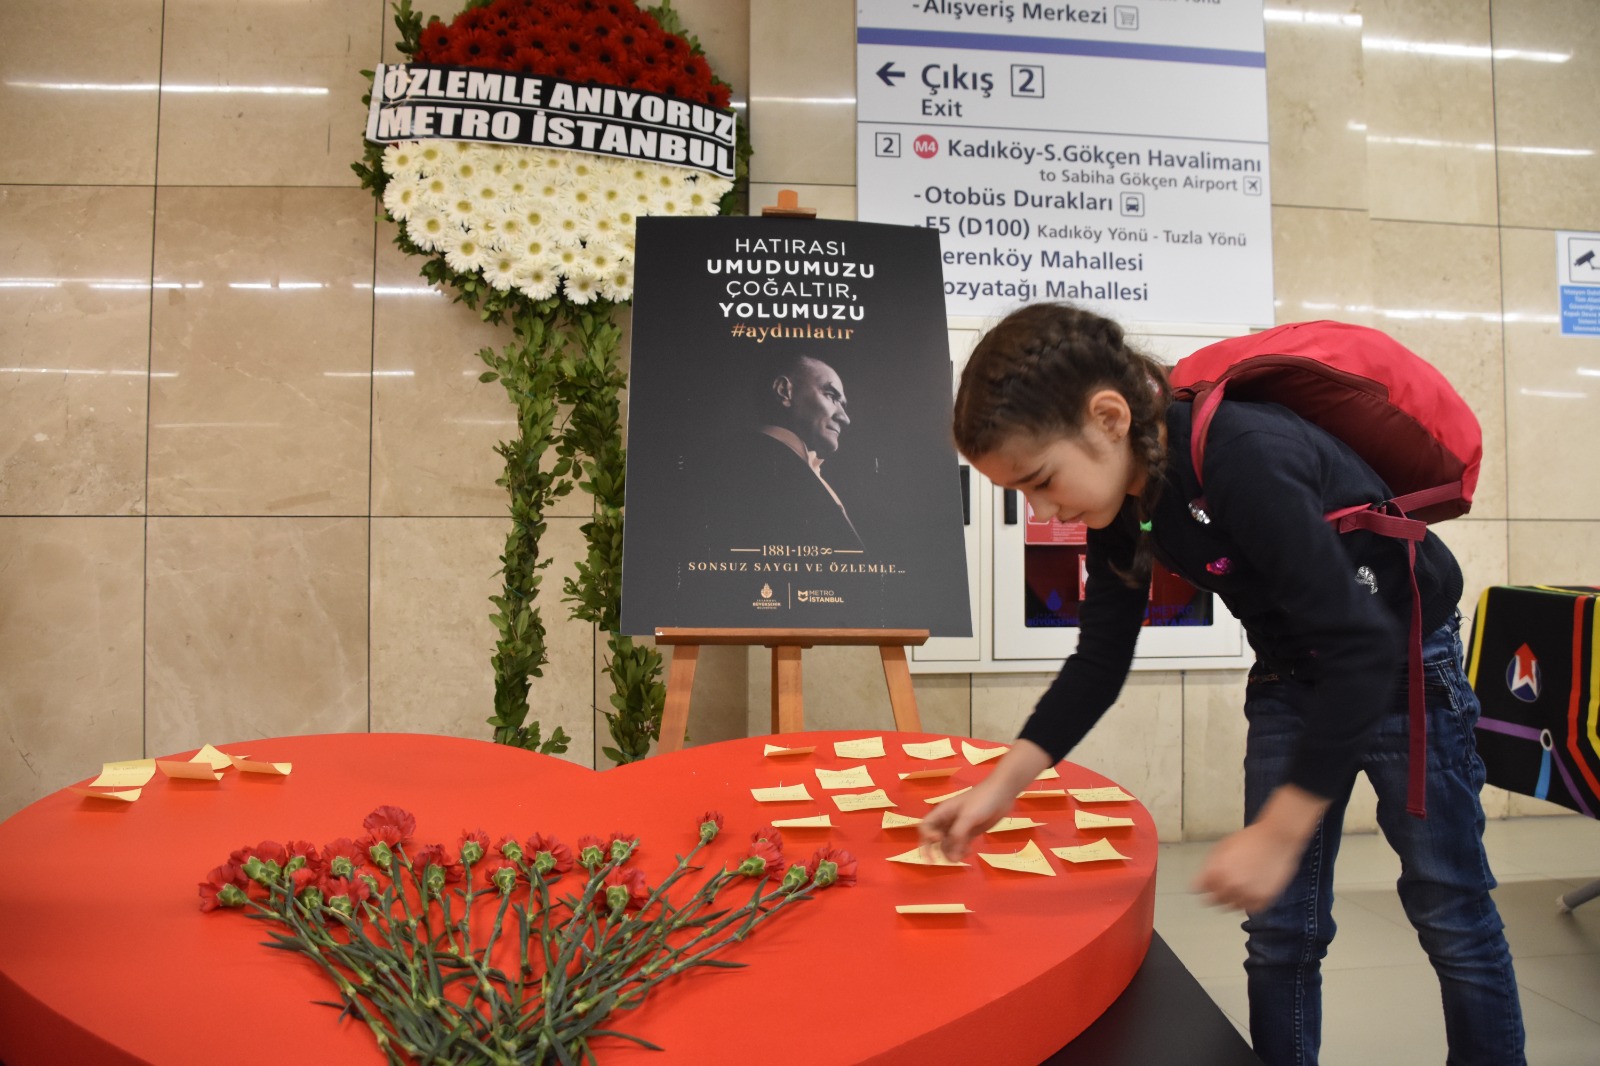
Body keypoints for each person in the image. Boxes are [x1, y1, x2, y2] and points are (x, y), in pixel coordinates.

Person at [919, 303, 1525, 1066]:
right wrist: (1000, 786)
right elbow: (1100, 660)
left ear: (1108, 417)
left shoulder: (1242, 454)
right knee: (1278, 930)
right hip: (1290, 672)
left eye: (1041, 481)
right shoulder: (1122, 505)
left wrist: (1279, 830)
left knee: (1451, 911)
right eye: (1021, 495)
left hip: (1403, 660)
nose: (1043, 510)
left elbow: (1362, 647)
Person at [700, 353, 863, 552]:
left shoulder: (751, 463)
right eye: (831, 396)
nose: (845, 418)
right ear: (784, 391)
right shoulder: (743, 467)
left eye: (843, 404)